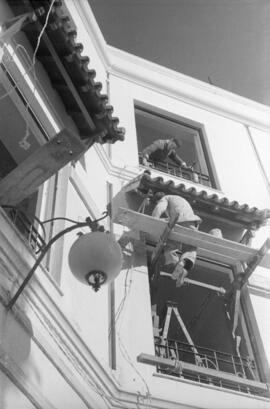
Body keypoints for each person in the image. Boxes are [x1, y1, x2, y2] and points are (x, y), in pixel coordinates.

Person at [152, 192, 202, 287]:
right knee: (190, 247)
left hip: (179, 222)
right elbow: (172, 216)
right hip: (192, 223)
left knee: (169, 244)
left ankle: (175, 262)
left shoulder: (166, 198)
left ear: (158, 199)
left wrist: (154, 220)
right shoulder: (178, 198)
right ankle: (184, 263)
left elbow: (159, 208)